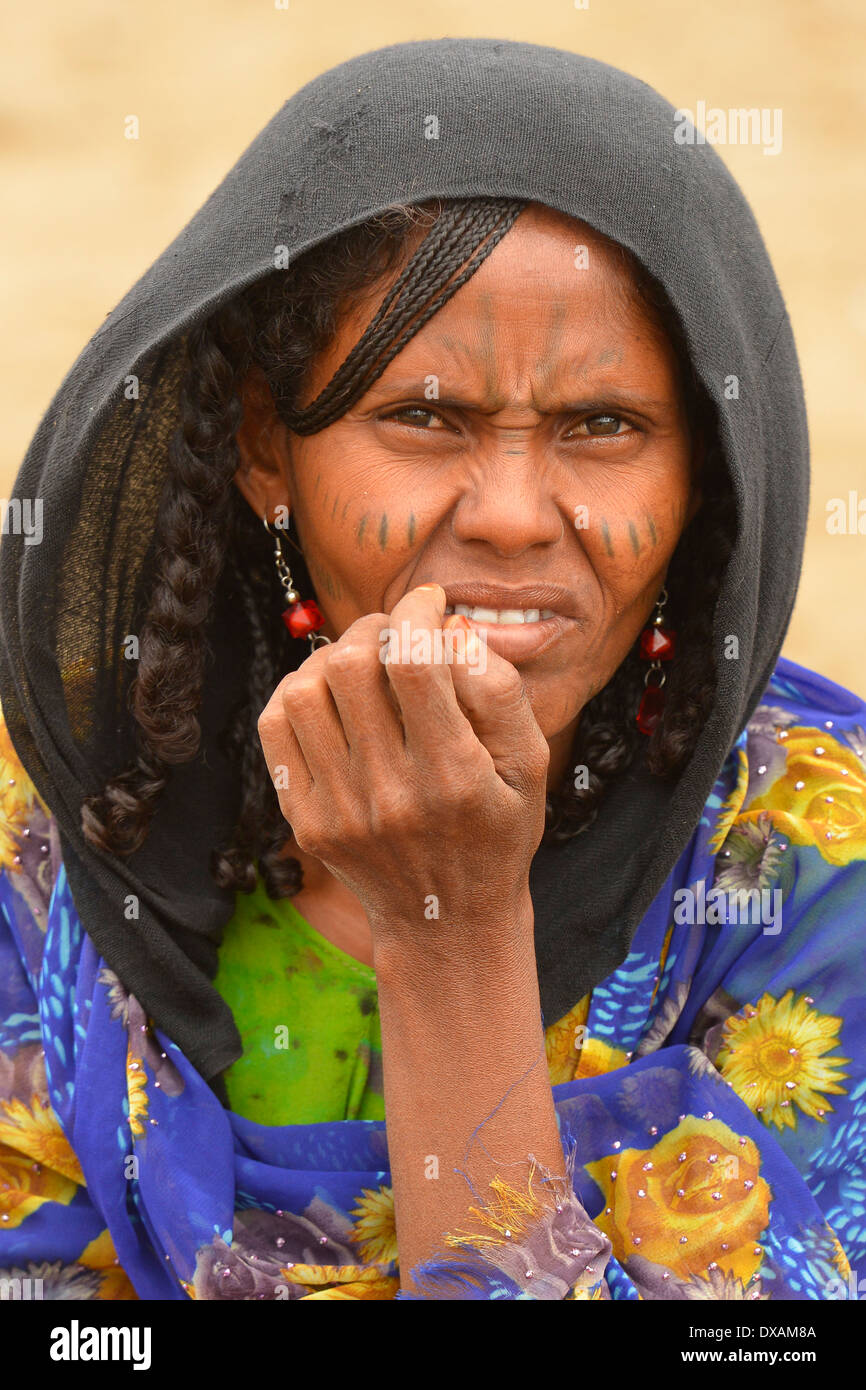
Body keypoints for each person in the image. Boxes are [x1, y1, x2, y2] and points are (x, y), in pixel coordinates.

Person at [0, 37, 863, 1301]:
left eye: (602, 426)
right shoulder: (59, 819)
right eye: (422, 417)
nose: (513, 514)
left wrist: (450, 928)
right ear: (262, 449)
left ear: (704, 479)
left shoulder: (808, 860)